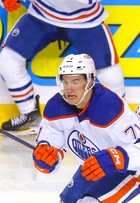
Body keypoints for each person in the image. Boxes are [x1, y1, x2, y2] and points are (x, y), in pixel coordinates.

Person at [32, 53, 140, 203]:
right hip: (95, 166)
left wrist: (114, 158)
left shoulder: (109, 107)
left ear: (90, 81)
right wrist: (44, 159)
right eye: (65, 81)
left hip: (132, 169)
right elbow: (50, 155)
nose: (69, 88)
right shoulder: (56, 107)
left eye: (76, 81)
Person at [0, 0, 125, 131]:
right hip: (42, 14)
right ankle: (30, 113)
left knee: (109, 73)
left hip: (85, 20)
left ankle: (121, 119)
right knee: (8, 61)